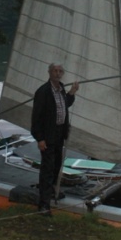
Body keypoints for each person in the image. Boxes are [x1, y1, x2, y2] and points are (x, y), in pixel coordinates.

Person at [31, 63, 79, 216]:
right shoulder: (43, 92)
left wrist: (72, 92)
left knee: (57, 166)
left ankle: (50, 191)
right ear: (49, 72)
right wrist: (40, 139)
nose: (58, 73)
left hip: (59, 134)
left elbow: (64, 105)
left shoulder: (61, 89)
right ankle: (44, 205)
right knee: (47, 169)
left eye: (60, 71)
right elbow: (36, 117)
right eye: (55, 71)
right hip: (48, 135)